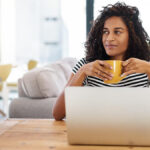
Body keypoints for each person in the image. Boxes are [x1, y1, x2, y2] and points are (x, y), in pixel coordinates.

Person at [53, 2, 150, 120]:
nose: (109, 38)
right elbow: (57, 114)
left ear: (132, 35)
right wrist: (82, 72)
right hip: (94, 134)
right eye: (105, 32)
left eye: (117, 32)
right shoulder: (87, 65)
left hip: (137, 135)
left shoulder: (145, 66)